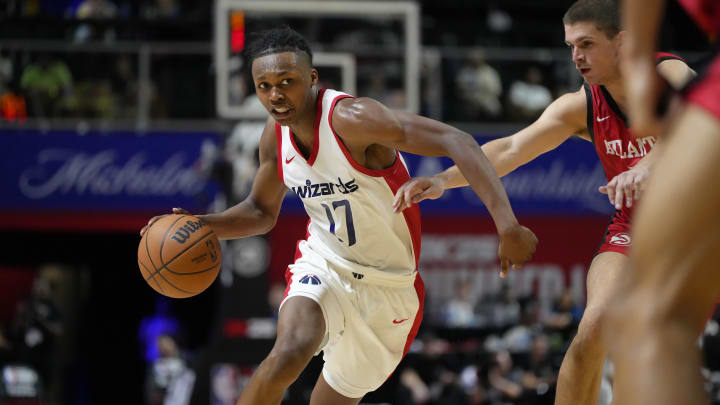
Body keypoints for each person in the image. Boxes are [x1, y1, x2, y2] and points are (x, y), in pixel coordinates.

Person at [141, 27, 538, 405]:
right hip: (325, 263)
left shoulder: (353, 119)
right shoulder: (273, 135)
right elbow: (261, 211)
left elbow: (457, 140)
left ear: (311, 78)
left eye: (286, 82)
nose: (275, 95)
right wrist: (203, 225)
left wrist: (507, 225)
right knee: (287, 354)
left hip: (391, 288)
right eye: (264, 86)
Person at [391, 1, 695, 404]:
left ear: (621, 42)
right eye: (570, 46)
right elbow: (512, 148)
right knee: (594, 326)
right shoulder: (581, 104)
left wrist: (647, 165)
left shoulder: (667, 73)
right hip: (635, 228)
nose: (576, 57)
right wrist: (443, 180)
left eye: (586, 44)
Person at [606, 1, 720, 404]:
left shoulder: (668, 67)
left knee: (647, 314)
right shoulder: (580, 102)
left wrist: (637, 62)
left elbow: (673, 92)